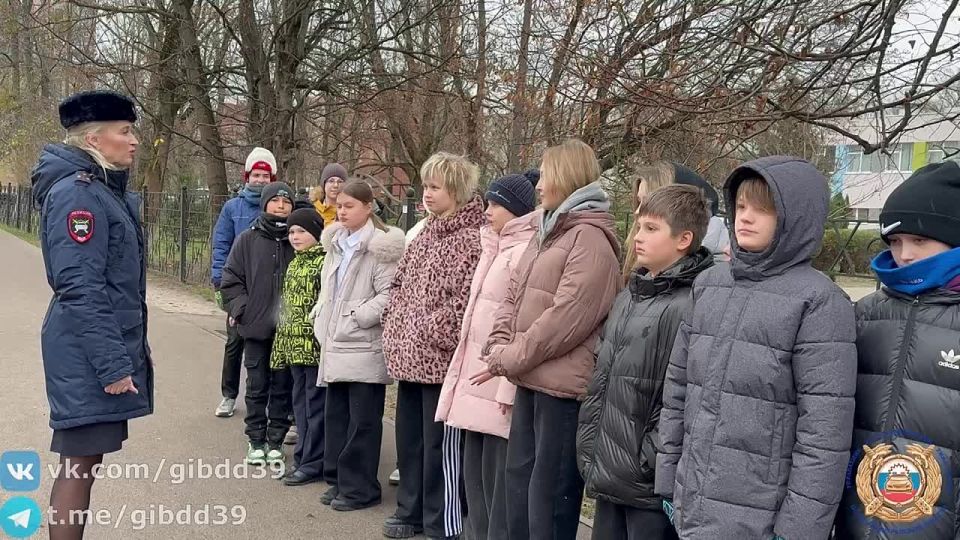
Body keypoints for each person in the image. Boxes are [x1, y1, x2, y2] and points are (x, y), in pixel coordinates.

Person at [654, 156, 857, 540]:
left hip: (762, 517)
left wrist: (798, 530)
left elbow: (824, 432)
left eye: (763, 209)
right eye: (742, 206)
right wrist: (669, 481)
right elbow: (679, 389)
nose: (745, 218)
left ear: (795, 218)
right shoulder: (710, 285)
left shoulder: (819, 302)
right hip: (693, 504)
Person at [479, 139, 621, 540]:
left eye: (546, 173)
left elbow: (566, 318)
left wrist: (511, 356)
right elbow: (514, 293)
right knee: (520, 490)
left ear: (568, 175)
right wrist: (500, 345)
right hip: (529, 379)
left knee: (549, 502)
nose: (539, 184)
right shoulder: (549, 230)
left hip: (562, 392)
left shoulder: (590, 239)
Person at [31, 89, 153, 540]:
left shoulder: (101, 191)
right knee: (79, 463)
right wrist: (113, 365)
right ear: (93, 140)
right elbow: (79, 287)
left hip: (91, 348)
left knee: (85, 461)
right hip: (86, 352)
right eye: (124, 131)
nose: (134, 140)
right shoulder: (78, 196)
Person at [577, 184, 713, 540]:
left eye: (651, 229)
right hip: (609, 467)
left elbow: (683, 392)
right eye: (639, 227)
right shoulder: (631, 294)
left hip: (647, 482)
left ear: (684, 239)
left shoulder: (692, 304)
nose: (638, 237)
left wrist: (650, 455)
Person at [834, 161, 960, 539]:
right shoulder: (864, 315)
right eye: (895, 241)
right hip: (855, 521)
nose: (904, 255)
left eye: (920, 240)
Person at [381, 152, 486, 540]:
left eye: (435, 187)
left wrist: (429, 332)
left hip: (440, 362)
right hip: (409, 356)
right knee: (409, 442)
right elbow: (399, 285)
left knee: (440, 446)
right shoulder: (423, 233)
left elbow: (463, 303)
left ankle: (438, 519)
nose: (426, 194)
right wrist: (395, 325)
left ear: (456, 189)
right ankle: (408, 511)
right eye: (425, 186)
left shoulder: (471, 238)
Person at [435, 170, 540, 540]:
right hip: (474, 384)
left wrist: (506, 387)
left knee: (496, 488)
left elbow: (521, 323)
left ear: (516, 209)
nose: (487, 210)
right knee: (474, 483)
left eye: (496, 204)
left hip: (496, 388)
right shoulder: (493, 247)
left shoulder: (524, 252)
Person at [313, 180, 405, 511]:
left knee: (362, 421)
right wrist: (322, 317)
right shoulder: (336, 243)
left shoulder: (380, 247)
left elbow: (390, 294)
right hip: (336, 342)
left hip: (363, 343)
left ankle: (361, 487)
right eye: (339, 205)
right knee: (337, 416)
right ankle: (340, 480)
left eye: (350, 206)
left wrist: (356, 316)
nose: (342, 211)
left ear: (368, 207)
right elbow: (329, 290)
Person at [221, 182, 297, 466]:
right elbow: (230, 281)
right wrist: (243, 310)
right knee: (257, 385)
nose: (280, 205)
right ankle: (255, 438)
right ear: (265, 204)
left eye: (286, 201)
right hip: (255, 328)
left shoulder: (297, 239)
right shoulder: (247, 240)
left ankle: (276, 439)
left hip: (288, 330)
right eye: (275, 200)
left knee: (282, 385)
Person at [211, 147, 278, 418]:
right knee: (235, 342)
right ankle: (229, 394)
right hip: (239, 286)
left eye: (266, 175)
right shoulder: (233, 208)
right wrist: (219, 282)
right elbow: (221, 245)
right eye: (257, 175)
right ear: (248, 176)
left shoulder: (279, 206)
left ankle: (267, 399)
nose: (261, 180)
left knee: (270, 344)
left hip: (271, 288)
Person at [268, 208, 326, 486]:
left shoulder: (323, 263)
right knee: (300, 406)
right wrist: (280, 348)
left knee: (315, 407)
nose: (295, 236)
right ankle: (303, 456)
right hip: (293, 350)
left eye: (301, 231)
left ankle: (314, 461)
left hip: (313, 350)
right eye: (291, 232)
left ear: (315, 232)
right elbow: (286, 310)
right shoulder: (294, 263)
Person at [621, 162, 728, 283]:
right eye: (639, 201)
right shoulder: (646, 271)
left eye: (647, 202)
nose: (637, 211)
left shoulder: (709, 281)